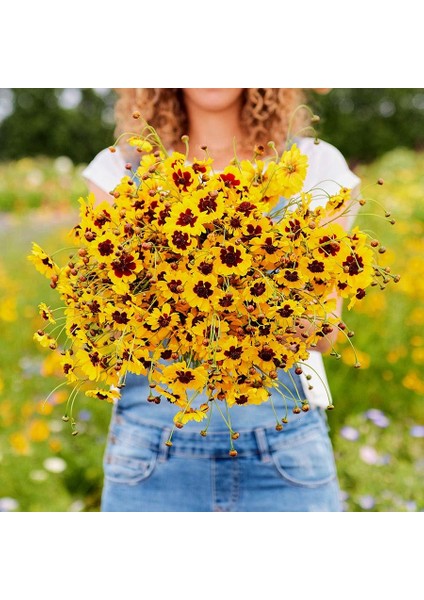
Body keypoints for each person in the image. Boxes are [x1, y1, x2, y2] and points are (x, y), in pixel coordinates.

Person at [82, 88, 360, 512]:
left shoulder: (313, 163)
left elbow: (323, 335)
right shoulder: (121, 167)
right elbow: (112, 316)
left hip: (285, 449)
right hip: (151, 449)